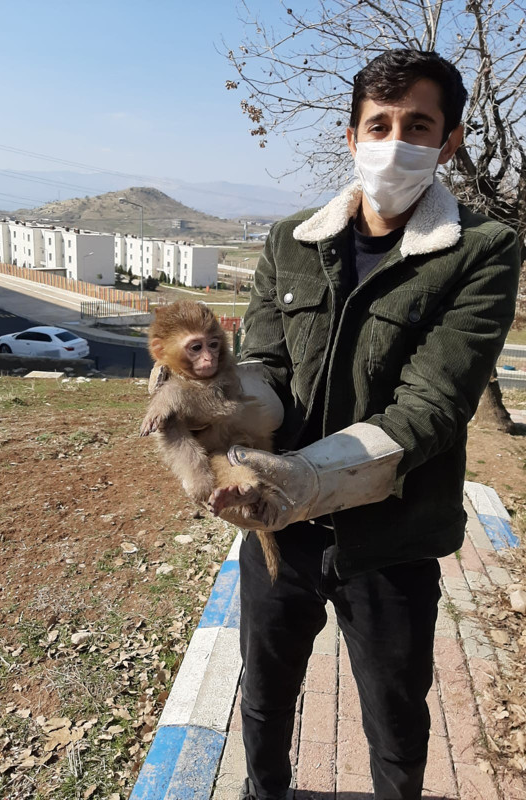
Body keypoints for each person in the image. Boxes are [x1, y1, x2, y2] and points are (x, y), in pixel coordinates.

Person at [222, 49, 521, 800]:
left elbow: (433, 406)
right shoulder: (291, 240)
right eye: (378, 124)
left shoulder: (479, 251)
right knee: (262, 699)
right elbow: (265, 363)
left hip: (392, 537)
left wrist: (303, 480)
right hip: (276, 539)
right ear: (351, 136)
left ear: (449, 141)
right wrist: (223, 414)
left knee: (394, 721)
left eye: (417, 125)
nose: (395, 140)